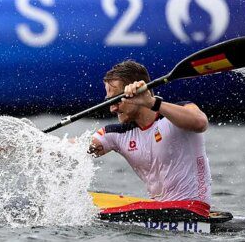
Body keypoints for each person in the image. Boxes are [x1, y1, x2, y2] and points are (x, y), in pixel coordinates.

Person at [89, 60, 211, 204]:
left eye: (117, 100)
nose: (113, 109)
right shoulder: (117, 134)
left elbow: (201, 123)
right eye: (109, 102)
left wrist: (151, 102)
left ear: (137, 94)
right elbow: (76, 149)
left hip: (195, 210)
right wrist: (56, 147)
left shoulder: (178, 115)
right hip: (162, 213)